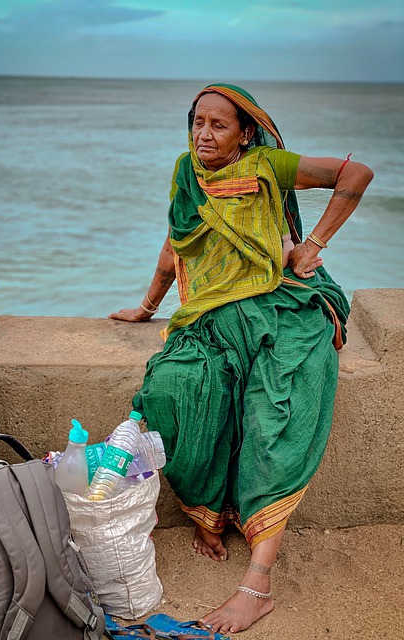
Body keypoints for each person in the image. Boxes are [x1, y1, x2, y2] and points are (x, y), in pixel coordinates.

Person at [109, 84, 373, 633]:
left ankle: (258, 584)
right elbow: (177, 242)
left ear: (246, 131)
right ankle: (208, 512)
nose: (204, 135)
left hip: (280, 307)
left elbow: (357, 174)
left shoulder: (267, 165)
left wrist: (314, 244)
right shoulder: (188, 171)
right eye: (196, 123)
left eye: (218, 125)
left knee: (275, 412)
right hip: (211, 314)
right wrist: (147, 305)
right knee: (170, 392)